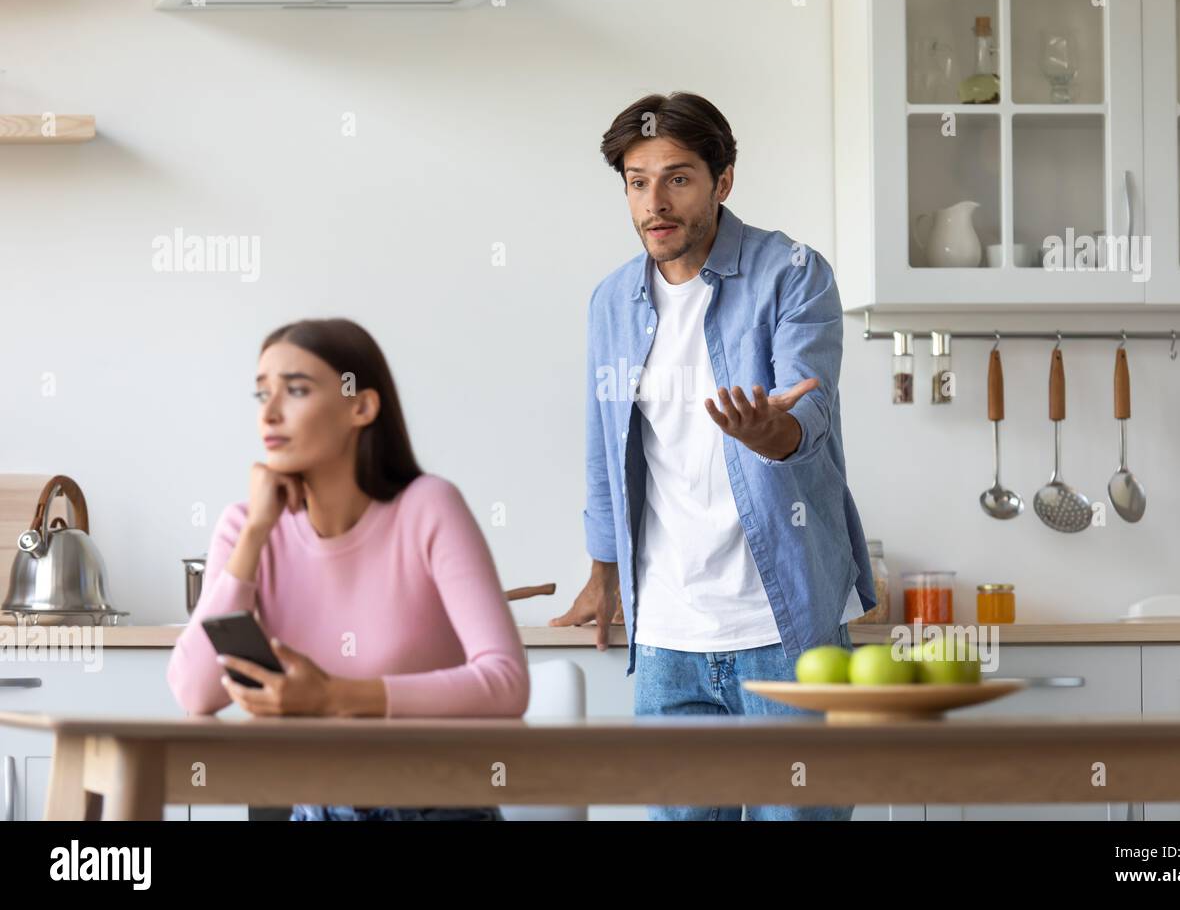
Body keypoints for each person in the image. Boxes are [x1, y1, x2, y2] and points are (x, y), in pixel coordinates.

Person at [551, 92, 874, 821]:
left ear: (722, 180)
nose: (654, 203)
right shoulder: (611, 301)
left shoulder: (793, 272)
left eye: (678, 178)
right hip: (666, 641)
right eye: (637, 181)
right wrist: (604, 572)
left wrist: (771, 435)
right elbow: (605, 447)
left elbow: (810, 413)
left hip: (787, 632)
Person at [167, 317, 530, 821]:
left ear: (361, 405)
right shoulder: (246, 526)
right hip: (314, 809)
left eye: (295, 390)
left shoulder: (428, 508)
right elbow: (195, 692)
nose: (269, 414)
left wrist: (333, 697)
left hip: (437, 807)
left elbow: (506, 683)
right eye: (261, 395)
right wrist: (253, 537)